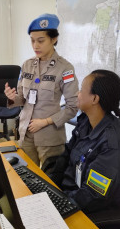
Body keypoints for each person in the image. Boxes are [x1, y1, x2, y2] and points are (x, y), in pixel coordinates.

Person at [52, 69, 120, 213]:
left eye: (82, 90)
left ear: (95, 99)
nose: (77, 93)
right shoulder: (86, 123)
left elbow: (93, 197)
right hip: (70, 195)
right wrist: (48, 185)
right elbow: (67, 155)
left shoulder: (113, 147)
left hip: (92, 215)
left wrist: (58, 203)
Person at [4, 13, 79, 166]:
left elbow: (73, 107)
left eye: (40, 41)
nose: (35, 46)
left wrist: (44, 122)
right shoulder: (27, 65)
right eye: (32, 41)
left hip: (49, 137)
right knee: (27, 176)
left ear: (54, 39)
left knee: (48, 181)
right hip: (26, 132)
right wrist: (12, 97)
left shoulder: (65, 69)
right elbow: (22, 98)